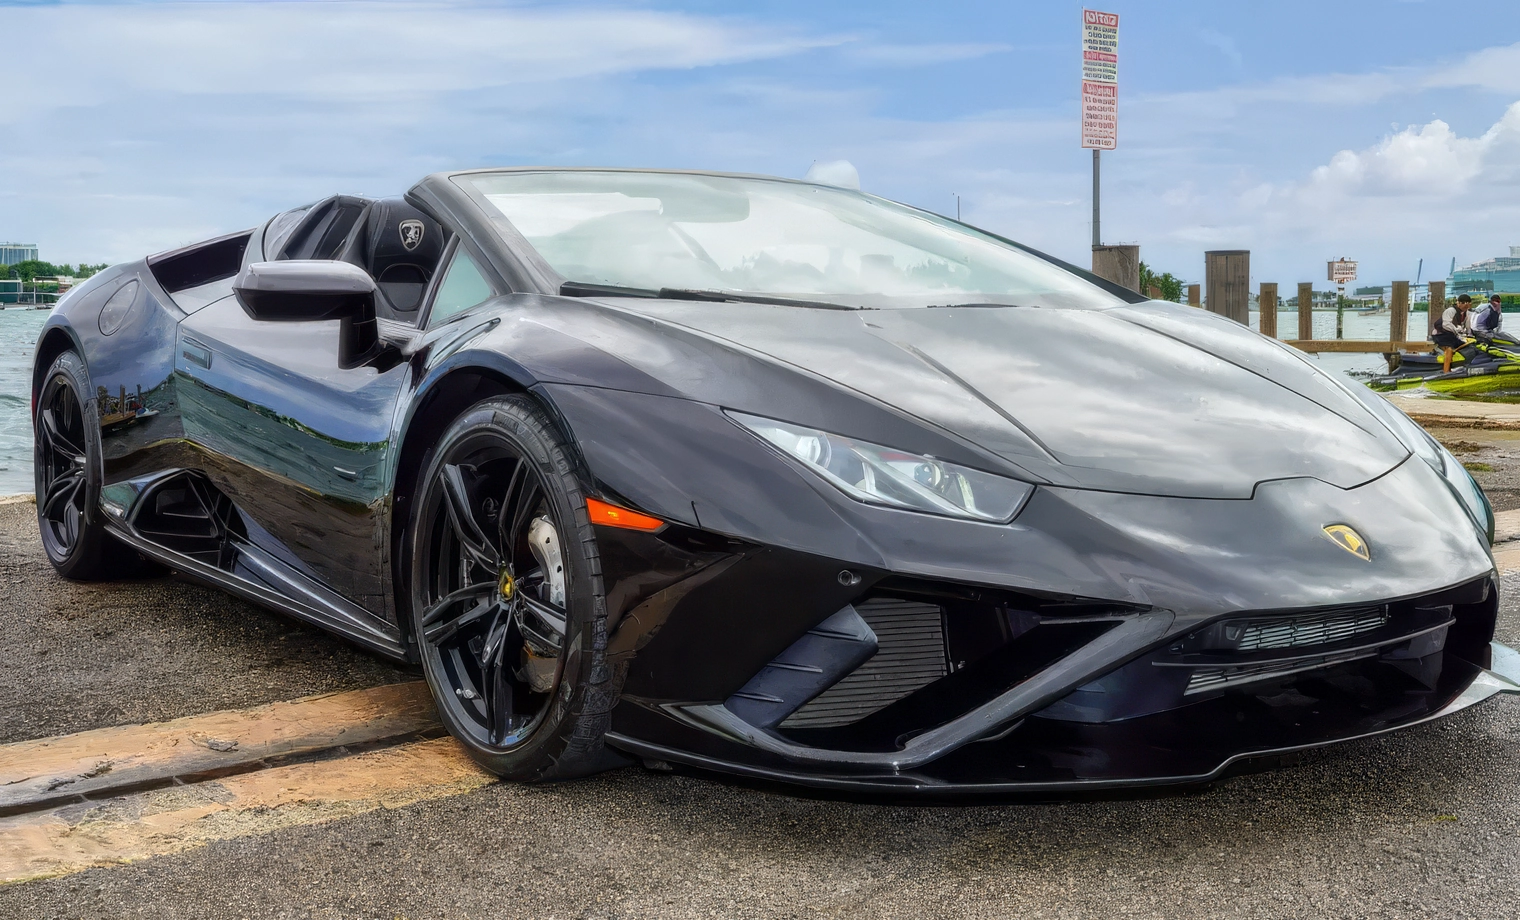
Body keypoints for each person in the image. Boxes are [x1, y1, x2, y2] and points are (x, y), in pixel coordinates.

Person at [1434, 294, 1472, 373]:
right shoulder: (1450, 311)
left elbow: (1468, 327)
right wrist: (1457, 330)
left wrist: (1469, 335)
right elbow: (1446, 324)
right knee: (1449, 349)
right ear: (1458, 303)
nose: (1465, 305)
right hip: (1441, 334)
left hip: (1454, 335)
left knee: (1467, 346)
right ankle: (1446, 371)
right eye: (1463, 303)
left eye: (1467, 303)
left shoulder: (1467, 314)